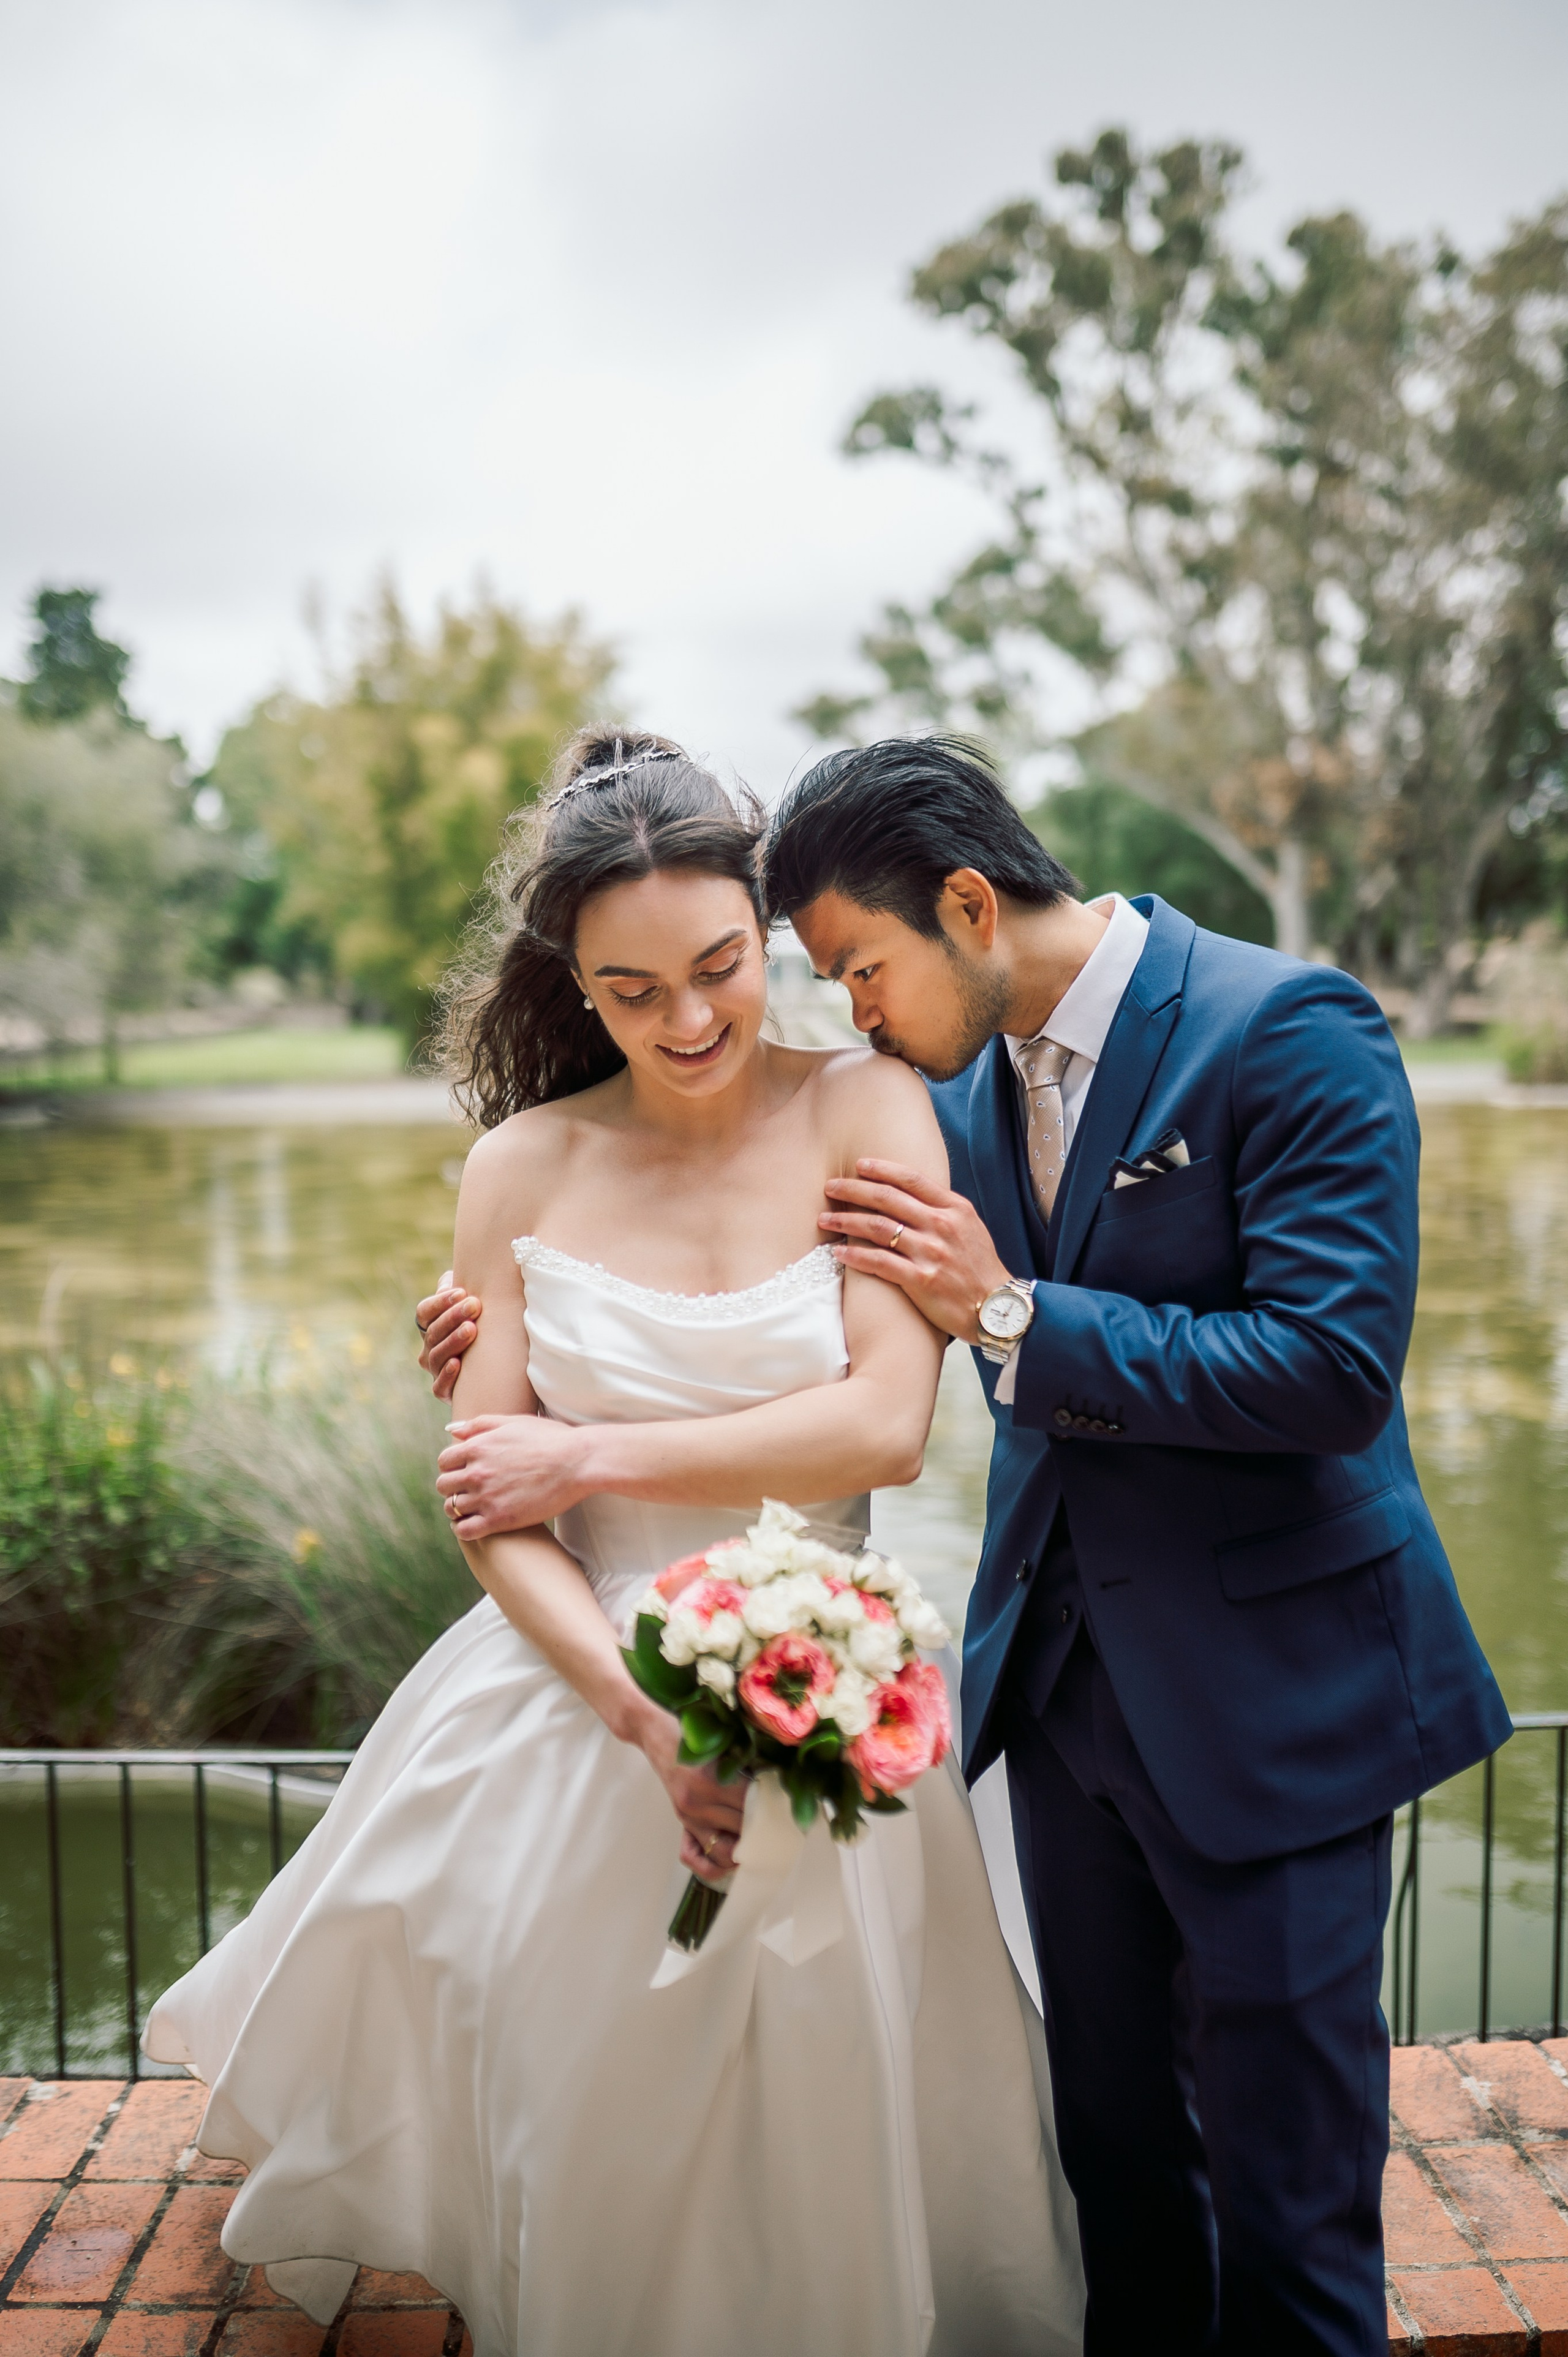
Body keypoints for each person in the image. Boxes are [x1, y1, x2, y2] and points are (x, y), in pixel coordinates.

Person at [426, 734, 1511, 2357]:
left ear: (967, 903)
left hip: (1277, 1707)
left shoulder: (1286, 1029)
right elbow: (751, 1268)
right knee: (1123, 2179)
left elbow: (1334, 1373)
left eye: (856, 966)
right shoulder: (953, 1088)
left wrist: (1006, 1310)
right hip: (1062, 1715)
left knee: (1292, 2211)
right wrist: (512, 1332)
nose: (846, 1011)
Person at [145, 730, 1084, 2357]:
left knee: (842, 2128)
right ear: (571, 981)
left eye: (720, 966)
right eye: (630, 990)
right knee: (592, 2145)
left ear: (767, 934)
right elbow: (490, 1510)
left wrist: (587, 1446)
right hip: (573, 1706)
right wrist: (647, 1715)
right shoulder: (521, 1166)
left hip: (838, 1693)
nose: (691, 1019)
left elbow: (880, 1426)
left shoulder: (872, 1102)